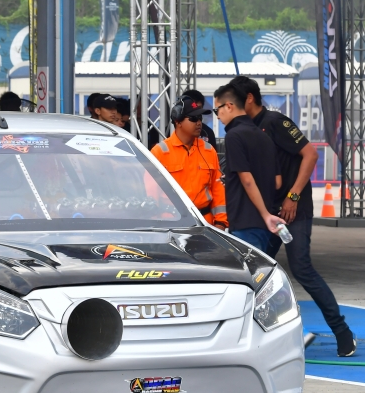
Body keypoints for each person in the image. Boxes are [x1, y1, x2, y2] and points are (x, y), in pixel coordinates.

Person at [232, 75, 357, 357]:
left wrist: (293, 196)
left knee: (301, 268)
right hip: (268, 214)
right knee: (254, 273)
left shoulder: (275, 122)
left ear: (248, 99)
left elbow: (310, 155)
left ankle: (342, 332)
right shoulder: (245, 129)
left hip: (294, 210)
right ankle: (257, 336)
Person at [213, 83, 284, 251]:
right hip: (263, 225)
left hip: (245, 222)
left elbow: (247, 180)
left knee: (247, 267)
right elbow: (277, 182)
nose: (217, 116)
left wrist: (265, 215)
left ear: (229, 106)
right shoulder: (264, 136)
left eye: (217, 110)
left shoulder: (234, 136)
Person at [149, 95, 228, 230]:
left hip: (205, 224)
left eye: (200, 118)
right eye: (193, 118)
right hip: (171, 225)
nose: (199, 123)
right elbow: (151, 193)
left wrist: (221, 222)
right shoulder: (160, 152)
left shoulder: (209, 150)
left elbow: (218, 189)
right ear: (178, 121)